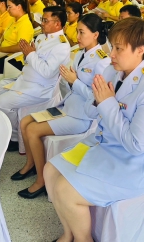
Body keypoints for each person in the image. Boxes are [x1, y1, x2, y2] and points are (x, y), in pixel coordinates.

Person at [44, 17, 144, 242]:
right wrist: (98, 102)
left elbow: (136, 145)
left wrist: (107, 103)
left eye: (119, 48)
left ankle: (84, 240)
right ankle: (69, 233)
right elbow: (92, 111)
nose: (111, 54)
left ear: (140, 50)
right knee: (50, 171)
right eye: (112, 46)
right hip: (105, 145)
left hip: (136, 164)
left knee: (65, 190)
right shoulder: (115, 72)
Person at [14, 13, 110, 199]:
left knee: (33, 130)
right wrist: (69, 80)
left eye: (82, 32)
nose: (77, 36)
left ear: (95, 34)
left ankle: (42, 181)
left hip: (81, 117)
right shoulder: (81, 53)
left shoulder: (101, 61)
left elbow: (97, 98)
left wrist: (75, 82)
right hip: (68, 107)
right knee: (25, 121)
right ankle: (31, 165)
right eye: (77, 31)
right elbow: (70, 84)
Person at [0, 6, 70, 151]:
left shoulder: (61, 45)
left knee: (1, 102)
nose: (41, 23)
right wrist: (27, 54)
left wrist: (31, 54)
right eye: (42, 20)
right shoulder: (41, 37)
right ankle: (4, 127)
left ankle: (13, 138)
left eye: (45, 20)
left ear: (57, 24)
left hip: (39, 88)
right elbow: (29, 61)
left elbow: (47, 72)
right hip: (24, 79)